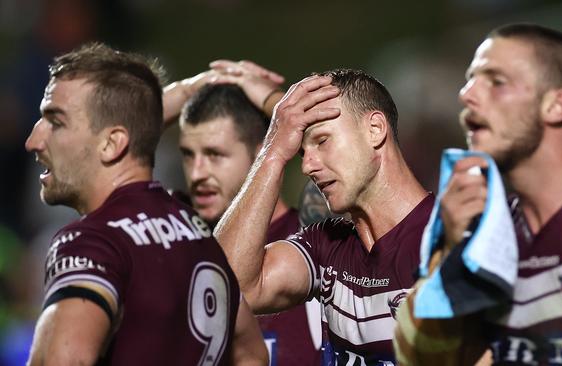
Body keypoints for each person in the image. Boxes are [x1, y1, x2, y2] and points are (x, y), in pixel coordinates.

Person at [24, 43, 267, 365]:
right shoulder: (196, 231)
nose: (34, 141)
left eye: (56, 122)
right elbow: (252, 355)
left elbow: (67, 358)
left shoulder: (92, 243)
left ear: (112, 144)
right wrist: (185, 90)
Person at [427, 23, 562, 365]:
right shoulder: (478, 232)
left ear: (557, 105)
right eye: (471, 78)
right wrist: (451, 259)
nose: (466, 93)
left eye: (496, 82)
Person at [213, 66, 432, 365]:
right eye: (302, 153)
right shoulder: (325, 245)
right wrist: (273, 152)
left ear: (375, 130)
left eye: (323, 141)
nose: (308, 167)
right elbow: (226, 287)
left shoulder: (447, 239)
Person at [162, 63, 323, 365]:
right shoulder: (172, 233)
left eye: (214, 155)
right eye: (188, 155)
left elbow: (349, 146)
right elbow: (106, 152)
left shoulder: (317, 238)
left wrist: (273, 100)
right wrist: (188, 89)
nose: (197, 173)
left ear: (263, 151)